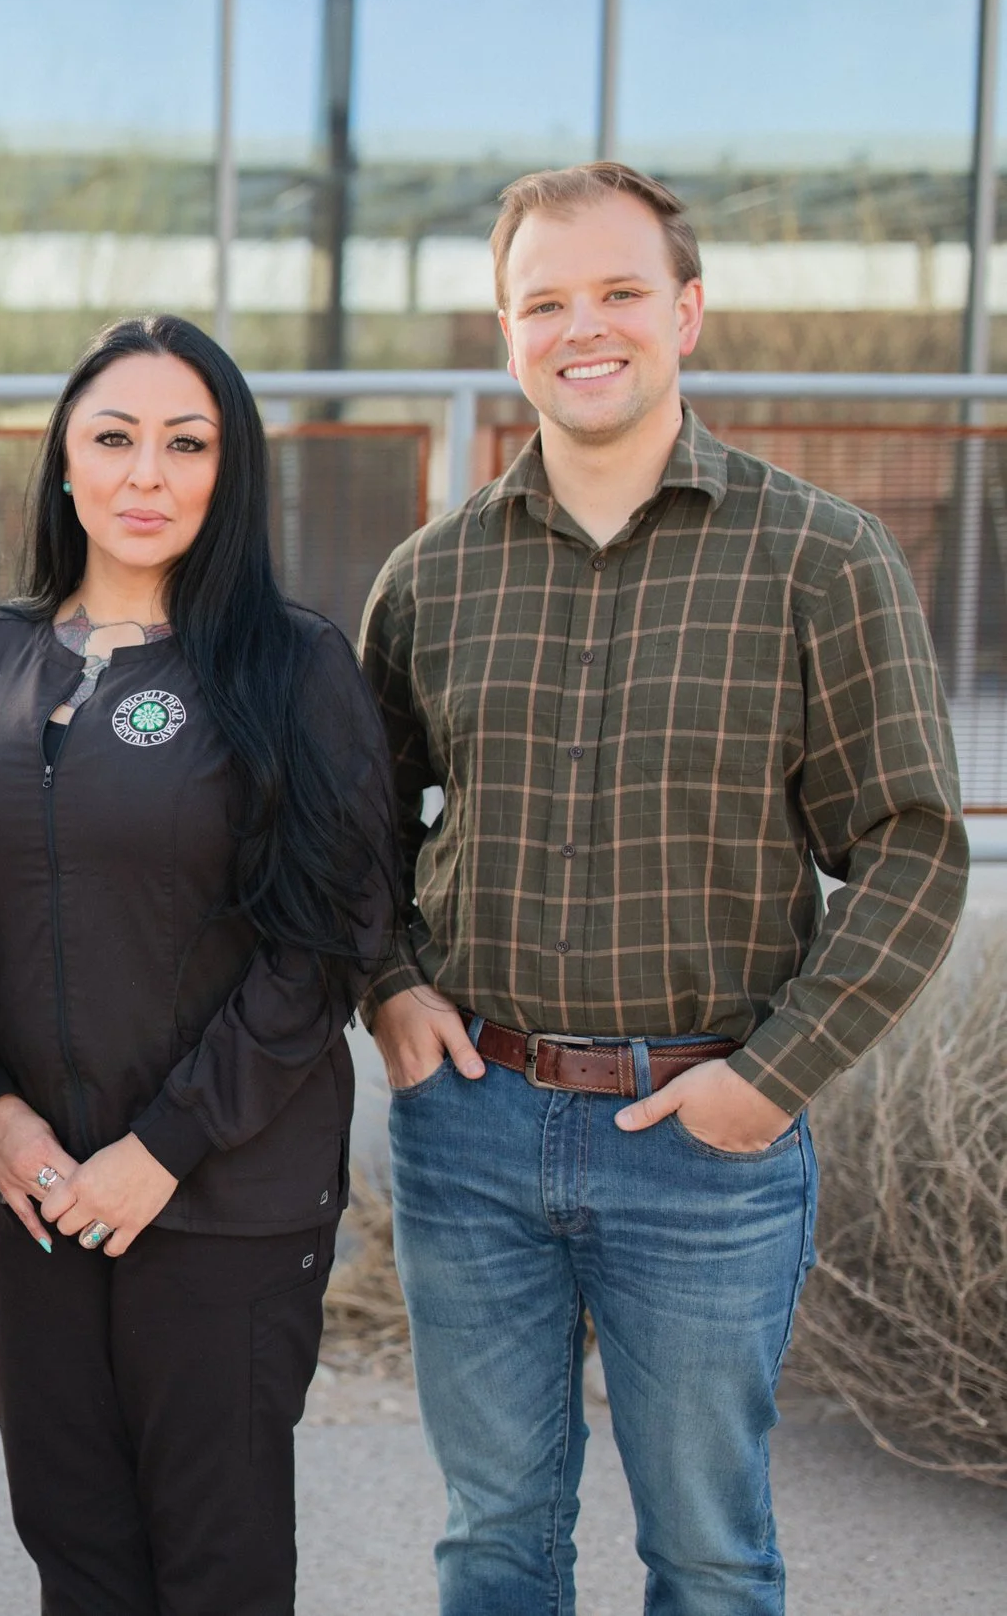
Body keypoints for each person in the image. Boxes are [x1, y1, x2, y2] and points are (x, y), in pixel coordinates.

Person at [360, 162, 968, 1615]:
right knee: (493, 1537)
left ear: (686, 312)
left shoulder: (820, 557)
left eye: (621, 291)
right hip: (473, 1130)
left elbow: (911, 845)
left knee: (706, 1548)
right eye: (545, 300)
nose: (587, 326)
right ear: (508, 334)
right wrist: (384, 985)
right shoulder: (429, 580)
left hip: (707, 1143)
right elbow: (351, 835)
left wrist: (773, 1078)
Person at [0, 315, 396, 1615]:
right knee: (74, 1540)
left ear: (229, 469)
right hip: (37, 1190)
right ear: (63, 464)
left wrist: (167, 1145)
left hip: (224, 1194)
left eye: (187, 442)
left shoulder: (293, 665)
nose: (147, 472)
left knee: (215, 1555)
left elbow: (328, 939)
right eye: (113, 437)